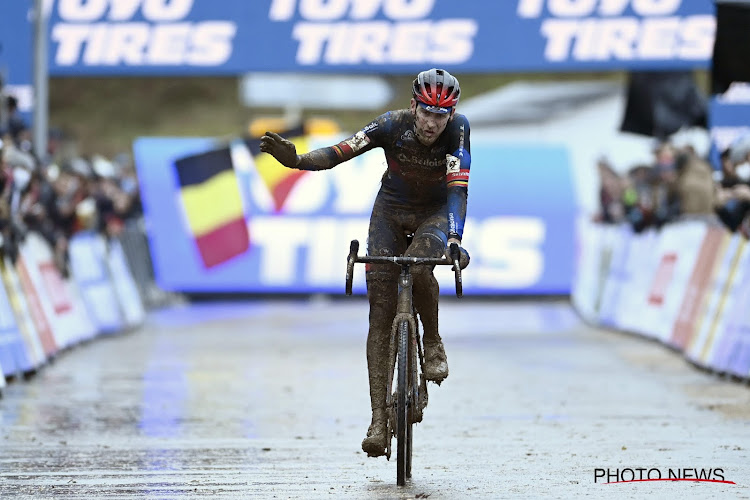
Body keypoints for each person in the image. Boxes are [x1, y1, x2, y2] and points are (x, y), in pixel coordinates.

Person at [260, 68, 471, 458]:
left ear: (451, 115)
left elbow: (458, 189)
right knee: (380, 312)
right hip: (389, 211)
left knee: (421, 264)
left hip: (434, 214)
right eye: (426, 112)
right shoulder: (391, 124)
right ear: (413, 107)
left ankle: (433, 340)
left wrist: (455, 238)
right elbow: (343, 150)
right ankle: (377, 419)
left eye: (440, 115)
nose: (431, 122)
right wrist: (299, 160)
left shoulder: (459, 130)